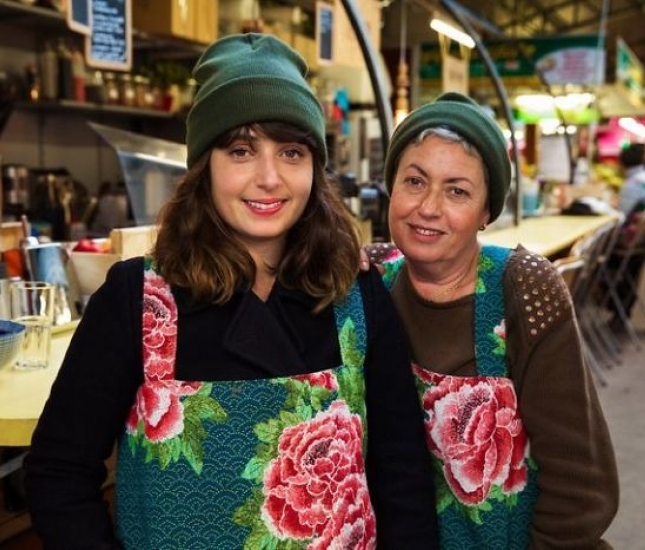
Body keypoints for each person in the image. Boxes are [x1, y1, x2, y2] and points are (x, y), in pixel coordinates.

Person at [24, 33, 439, 550]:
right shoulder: (139, 301)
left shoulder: (355, 295)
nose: (269, 178)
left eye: (291, 152)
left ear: (315, 168)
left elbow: (402, 479)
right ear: (205, 166)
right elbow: (59, 473)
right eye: (241, 150)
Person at [365, 92, 619, 548]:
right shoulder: (370, 283)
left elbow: (580, 485)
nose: (428, 207)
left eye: (457, 191)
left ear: (486, 212)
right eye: (415, 181)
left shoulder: (520, 288)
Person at [606, 142, 645, 326]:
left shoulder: (632, 184)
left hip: (627, 243)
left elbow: (620, 217)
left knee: (595, 257)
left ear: (622, 163)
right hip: (641, 242)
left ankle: (611, 304)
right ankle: (621, 310)